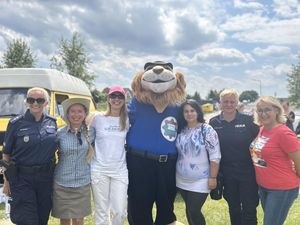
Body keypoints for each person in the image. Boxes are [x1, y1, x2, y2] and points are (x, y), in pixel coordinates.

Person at [2, 87, 57, 225]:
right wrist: (6, 181)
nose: (35, 103)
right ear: (26, 101)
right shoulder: (15, 123)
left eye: (40, 100)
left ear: (46, 103)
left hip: (45, 178)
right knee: (27, 219)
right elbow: (6, 154)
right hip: (22, 179)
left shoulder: (52, 122)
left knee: (42, 217)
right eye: (31, 100)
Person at [209, 88, 259, 225]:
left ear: (237, 103)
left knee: (249, 209)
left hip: (248, 172)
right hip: (227, 173)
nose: (229, 104)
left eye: (232, 101)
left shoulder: (248, 120)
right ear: (220, 103)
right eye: (225, 102)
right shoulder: (214, 122)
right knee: (234, 208)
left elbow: (261, 139)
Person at [250, 96, 300, 225]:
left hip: (281, 188)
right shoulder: (262, 129)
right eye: (260, 110)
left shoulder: (284, 133)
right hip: (264, 186)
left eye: (267, 109)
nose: (263, 113)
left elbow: (298, 159)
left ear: (277, 111)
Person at [176, 99, 221, 225]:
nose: (189, 114)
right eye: (186, 111)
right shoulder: (181, 129)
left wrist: (212, 177)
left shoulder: (207, 130)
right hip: (181, 179)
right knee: (189, 211)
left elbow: (215, 155)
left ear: (198, 112)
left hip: (201, 179)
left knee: (194, 210)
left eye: (192, 110)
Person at [90, 86, 129, 225]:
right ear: (108, 99)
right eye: (113, 96)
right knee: (101, 212)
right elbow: (87, 137)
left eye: (120, 96)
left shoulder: (128, 119)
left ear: (124, 100)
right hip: (99, 169)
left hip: (120, 170)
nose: (116, 99)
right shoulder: (97, 118)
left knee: (119, 211)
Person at [52, 98, 94, 225]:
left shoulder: (91, 132)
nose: (76, 115)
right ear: (67, 114)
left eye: (80, 111)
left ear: (85, 114)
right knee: (64, 219)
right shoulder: (59, 133)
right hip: (62, 182)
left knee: (79, 220)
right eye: (72, 111)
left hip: (82, 182)